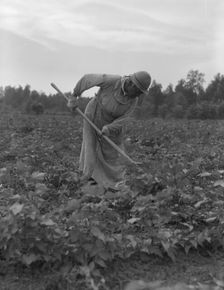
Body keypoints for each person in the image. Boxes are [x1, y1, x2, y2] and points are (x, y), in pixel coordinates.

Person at [67, 71, 151, 190]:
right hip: (94, 113)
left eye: (140, 92)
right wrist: (74, 96)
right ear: (131, 84)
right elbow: (87, 79)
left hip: (112, 122)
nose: (138, 94)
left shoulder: (134, 100)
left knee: (112, 151)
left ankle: (114, 181)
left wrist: (108, 128)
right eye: (138, 91)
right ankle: (88, 178)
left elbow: (124, 119)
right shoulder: (112, 81)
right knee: (91, 147)